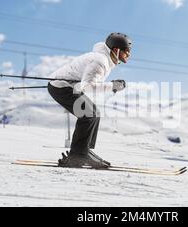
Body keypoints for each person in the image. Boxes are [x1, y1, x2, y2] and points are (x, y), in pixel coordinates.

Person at [47, 33, 132, 169]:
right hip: (61, 87)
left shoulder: (104, 59)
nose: (129, 55)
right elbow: (88, 86)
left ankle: (83, 151)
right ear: (116, 50)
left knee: (93, 114)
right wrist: (113, 86)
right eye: (127, 51)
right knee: (89, 115)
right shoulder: (100, 61)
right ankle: (78, 155)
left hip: (69, 87)